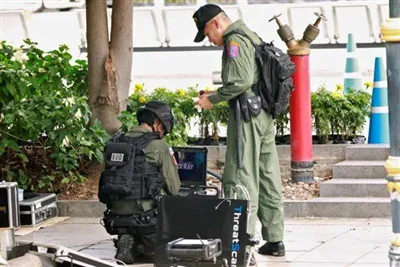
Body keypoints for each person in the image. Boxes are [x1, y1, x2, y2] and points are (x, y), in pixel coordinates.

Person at [192, 4, 285, 257]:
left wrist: (212, 99)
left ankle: (241, 240)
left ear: (216, 23)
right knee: (267, 174)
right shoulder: (250, 34)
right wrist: (215, 94)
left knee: (241, 173)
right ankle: (275, 240)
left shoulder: (234, 40)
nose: (209, 40)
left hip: (247, 116)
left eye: (207, 33)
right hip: (263, 112)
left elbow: (241, 81)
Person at [98, 101, 181, 264]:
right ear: (157, 123)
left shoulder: (115, 142)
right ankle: (144, 247)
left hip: (114, 215)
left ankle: (128, 239)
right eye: (164, 127)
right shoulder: (158, 145)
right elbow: (174, 189)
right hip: (146, 217)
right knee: (160, 248)